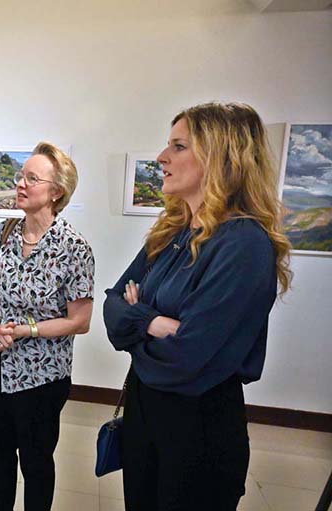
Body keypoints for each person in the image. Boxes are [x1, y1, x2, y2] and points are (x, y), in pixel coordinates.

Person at [103, 102, 292, 511]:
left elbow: (187, 357)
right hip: (145, 412)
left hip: (197, 428)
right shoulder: (170, 232)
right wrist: (156, 323)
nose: (161, 158)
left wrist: (140, 320)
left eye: (178, 146)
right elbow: (112, 308)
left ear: (221, 157)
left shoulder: (243, 243)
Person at [0, 142, 95, 511]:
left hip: (42, 379)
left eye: (32, 178)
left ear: (57, 192)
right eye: (21, 176)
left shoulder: (74, 247)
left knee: (37, 465)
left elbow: (80, 321)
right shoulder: (3, 233)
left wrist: (26, 331)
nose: (20, 184)